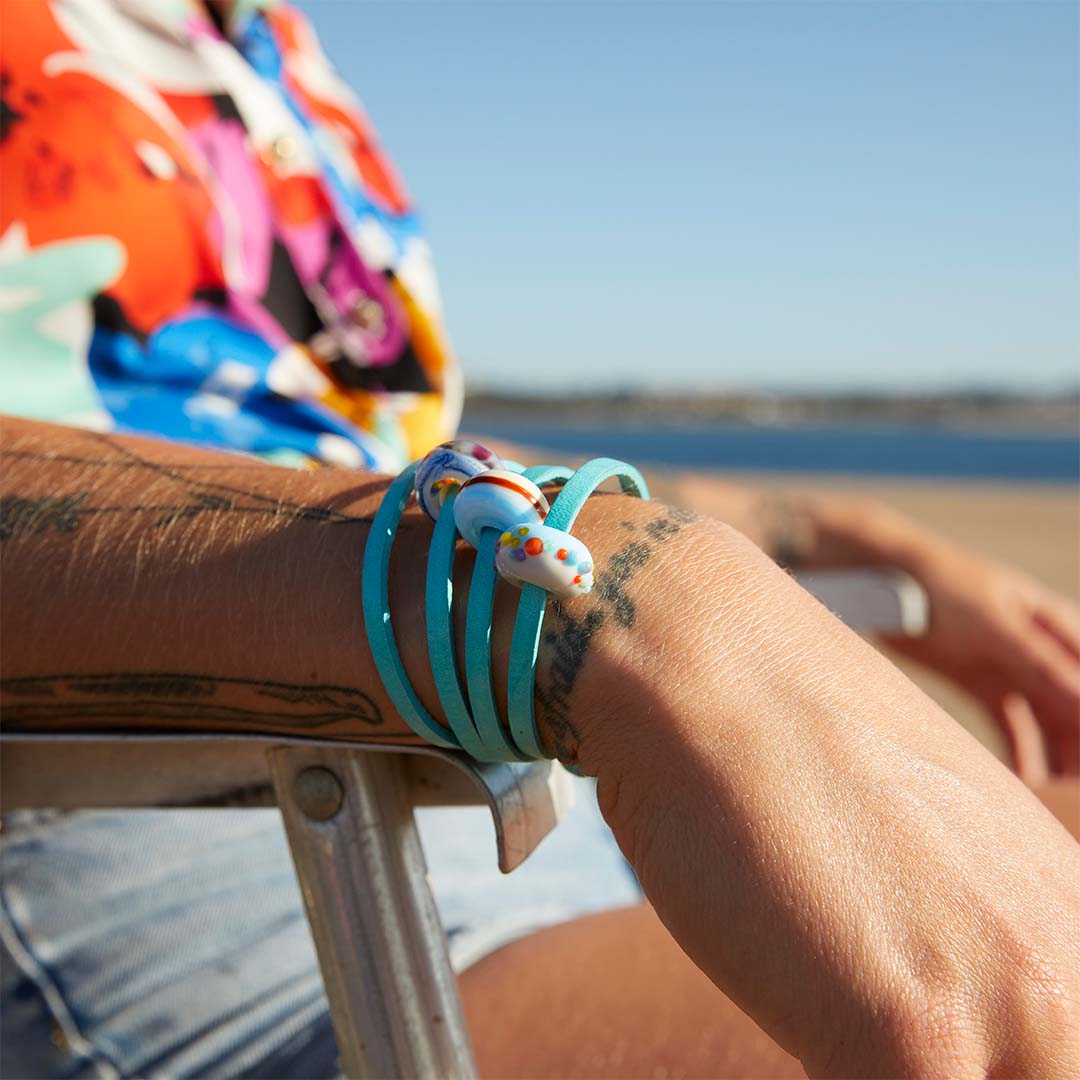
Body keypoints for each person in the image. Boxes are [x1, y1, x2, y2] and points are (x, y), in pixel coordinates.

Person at [2, 2, 1077, 1077]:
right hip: (171, 855)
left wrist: (822, 530)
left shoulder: (269, 43)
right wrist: (614, 604)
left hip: (526, 803)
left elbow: (378, 459)